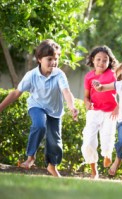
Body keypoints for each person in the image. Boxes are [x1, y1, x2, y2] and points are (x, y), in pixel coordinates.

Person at [0, 39, 78, 177]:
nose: (54, 62)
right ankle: (30, 158)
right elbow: (16, 93)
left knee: (55, 141)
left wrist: (72, 107)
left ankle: (52, 166)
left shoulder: (59, 74)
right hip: (37, 106)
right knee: (39, 125)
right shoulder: (31, 75)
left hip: (55, 111)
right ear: (39, 59)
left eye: (56, 58)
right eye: (50, 59)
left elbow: (66, 91)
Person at [81, 46, 119, 179]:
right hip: (94, 111)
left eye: (105, 60)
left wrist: (118, 107)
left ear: (109, 61)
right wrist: (86, 103)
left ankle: (107, 155)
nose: (101, 62)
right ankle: (93, 170)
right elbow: (86, 96)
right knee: (88, 141)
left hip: (110, 112)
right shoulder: (89, 77)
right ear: (93, 60)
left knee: (107, 137)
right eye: (98, 59)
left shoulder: (113, 75)